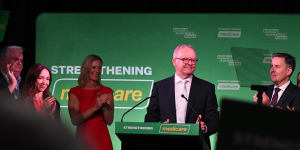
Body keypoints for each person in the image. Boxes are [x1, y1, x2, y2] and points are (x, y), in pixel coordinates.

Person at [144, 44, 219, 149]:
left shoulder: (207, 88)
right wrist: (160, 128)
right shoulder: (160, 87)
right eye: (185, 59)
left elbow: (214, 120)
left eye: (193, 60)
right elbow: (150, 119)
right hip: (166, 144)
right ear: (174, 61)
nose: (190, 63)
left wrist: (204, 127)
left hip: (196, 145)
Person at [68, 54, 114, 150]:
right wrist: (95, 107)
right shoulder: (75, 92)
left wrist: (104, 106)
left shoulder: (107, 91)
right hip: (83, 141)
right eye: (94, 67)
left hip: (102, 141)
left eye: (99, 68)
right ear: (86, 69)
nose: (97, 71)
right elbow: (75, 120)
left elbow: (109, 121)